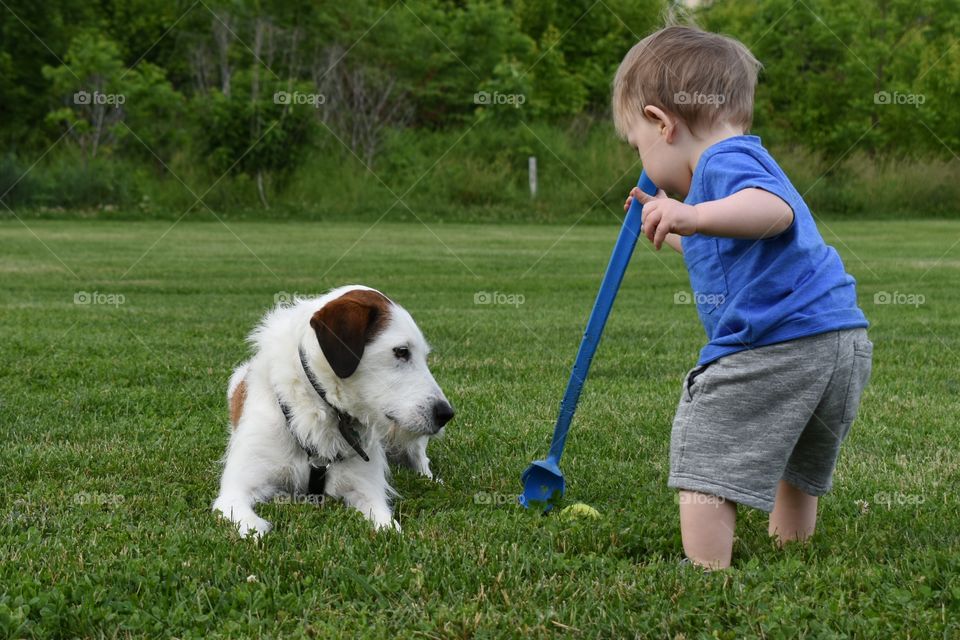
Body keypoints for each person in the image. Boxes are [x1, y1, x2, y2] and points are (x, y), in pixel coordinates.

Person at [613, 25, 873, 569]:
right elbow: (736, 248)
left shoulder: (723, 161)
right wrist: (681, 231)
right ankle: (792, 552)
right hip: (837, 340)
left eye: (638, 144)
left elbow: (772, 211)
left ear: (663, 124)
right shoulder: (731, 167)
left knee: (707, 438)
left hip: (780, 342)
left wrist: (691, 212)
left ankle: (705, 570)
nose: (641, 158)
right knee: (796, 459)